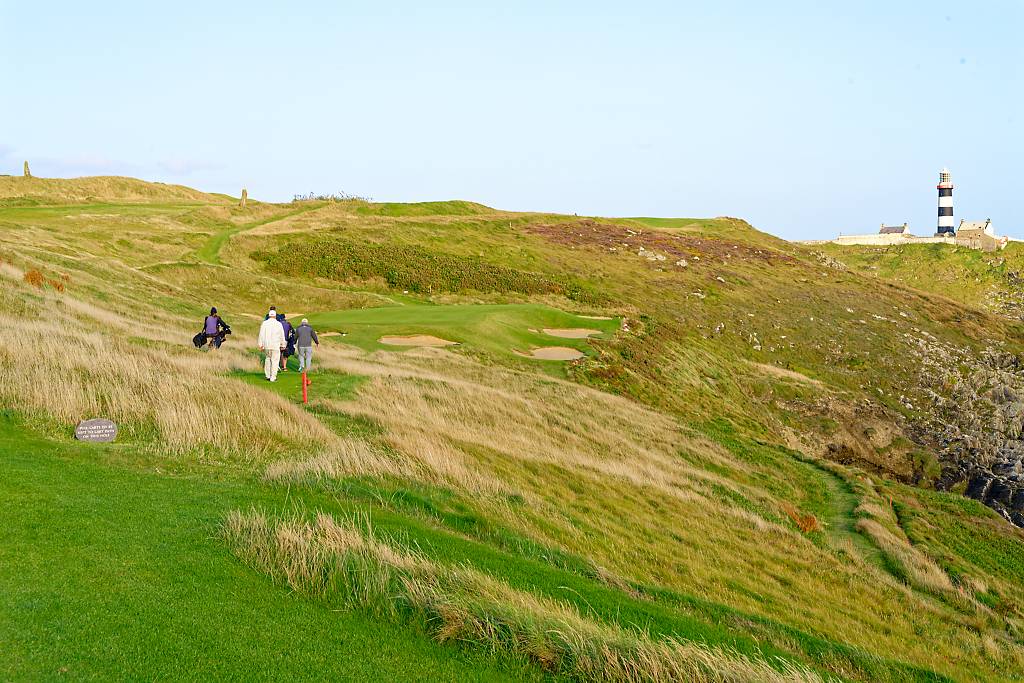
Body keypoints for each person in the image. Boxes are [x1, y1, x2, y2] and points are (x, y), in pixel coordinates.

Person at [257, 307, 286, 382]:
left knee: (268, 359)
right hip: (275, 345)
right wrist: (283, 344)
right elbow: (281, 335)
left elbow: (261, 334)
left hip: (267, 345)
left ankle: (267, 375)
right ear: (275, 316)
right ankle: (273, 377)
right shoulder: (278, 324)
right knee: (275, 361)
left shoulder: (264, 323)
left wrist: (260, 344)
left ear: (269, 315)